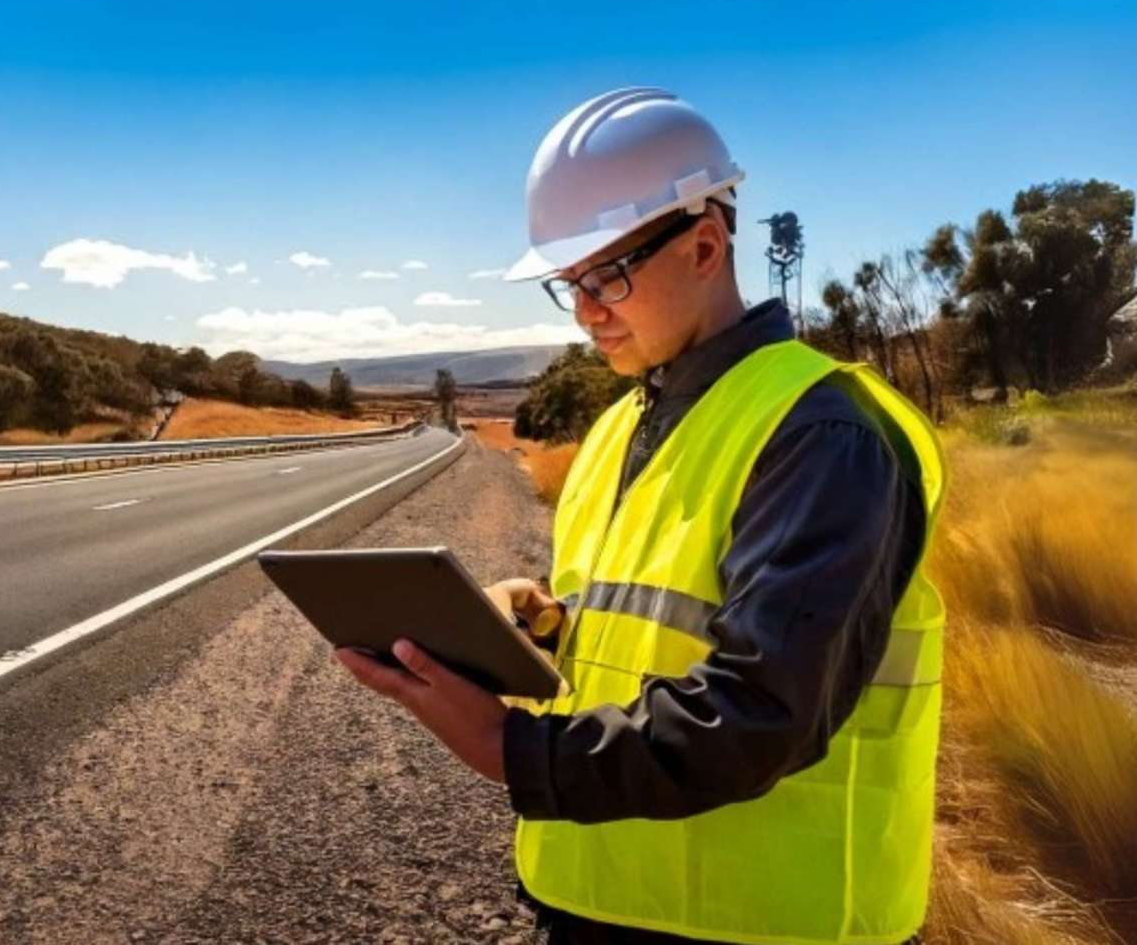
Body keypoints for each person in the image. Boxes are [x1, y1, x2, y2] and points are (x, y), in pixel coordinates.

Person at [336, 87, 945, 945]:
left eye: (607, 275)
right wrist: (547, 620)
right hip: (601, 901)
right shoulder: (626, 420)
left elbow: (765, 710)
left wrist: (508, 749)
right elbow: (649, 616)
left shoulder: (823, 433)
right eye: (569, 283)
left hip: (769, 925)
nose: (586, 311)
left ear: (705, 246)